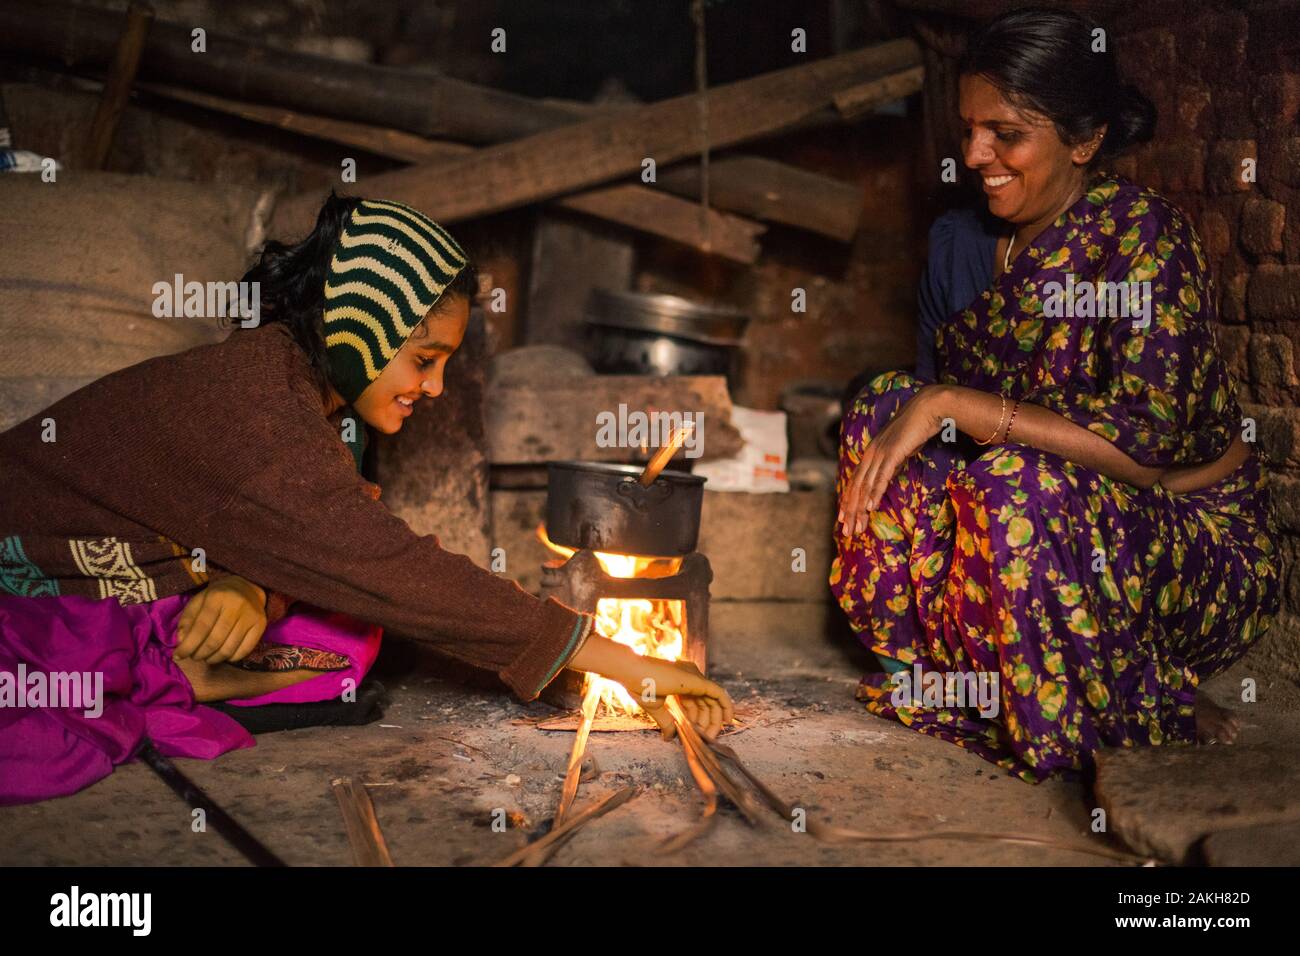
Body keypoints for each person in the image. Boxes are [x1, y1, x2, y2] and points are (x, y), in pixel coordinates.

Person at [0, 194, 733, 805]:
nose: (436, 388)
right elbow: (384, 563)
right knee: (364, 608)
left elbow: (296, 534)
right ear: (359, 328)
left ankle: (184, 664)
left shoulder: (311, 396)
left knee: (349, 634)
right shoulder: (255, 401)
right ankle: (167, 671)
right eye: (424, 360)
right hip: (30, 577)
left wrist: (248, 588)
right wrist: (627, 663)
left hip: (146, 568)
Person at [831, 8, 1281, 782]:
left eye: (1005, 133)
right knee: (882, 406)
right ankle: (958, 670)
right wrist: (926, 409)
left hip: (1179, 544)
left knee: (1016, 480)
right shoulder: (959, 245)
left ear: (1084, 140)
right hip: (1022, 537)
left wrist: (961, 407)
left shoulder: (1142, 242)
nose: (975, 154)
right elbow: (927, 431)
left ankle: (1129, 687)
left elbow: (1144, 462)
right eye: (969, 128)